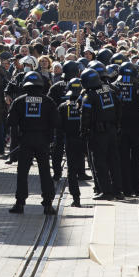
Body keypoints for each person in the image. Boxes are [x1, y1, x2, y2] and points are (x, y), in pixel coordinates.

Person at [6, 72, 58, 215]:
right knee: (45, 172)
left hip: (26, 140)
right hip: (42, 141)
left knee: (22, 172)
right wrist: (50, 139)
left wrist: (17, 140)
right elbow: (56, 123)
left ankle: (20, 203)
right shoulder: (48, 102)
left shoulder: (20, 101)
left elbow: (11, 123)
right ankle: (48, 204)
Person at [79, 67, 124, 201]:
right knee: (114, 161)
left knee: (100, 162)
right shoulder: (111, 91)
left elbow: (85, 115)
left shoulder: (89, 96)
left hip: (97, 133)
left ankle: (106, 191)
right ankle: (118, 191)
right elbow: (120, 108)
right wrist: (117, 125)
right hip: (112, 131)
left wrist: (83, 131)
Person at [114, 61, 139, 197]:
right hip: (137, 128)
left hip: (120, 128)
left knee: (122, 159)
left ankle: (126, 188)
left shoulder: (115, 86)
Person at [57, 77, 86, 207]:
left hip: (70, 140)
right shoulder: (87, 101)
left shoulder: (63, 106)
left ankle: (76, 198)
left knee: (71, 170)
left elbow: (58, 127)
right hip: (85, 139)